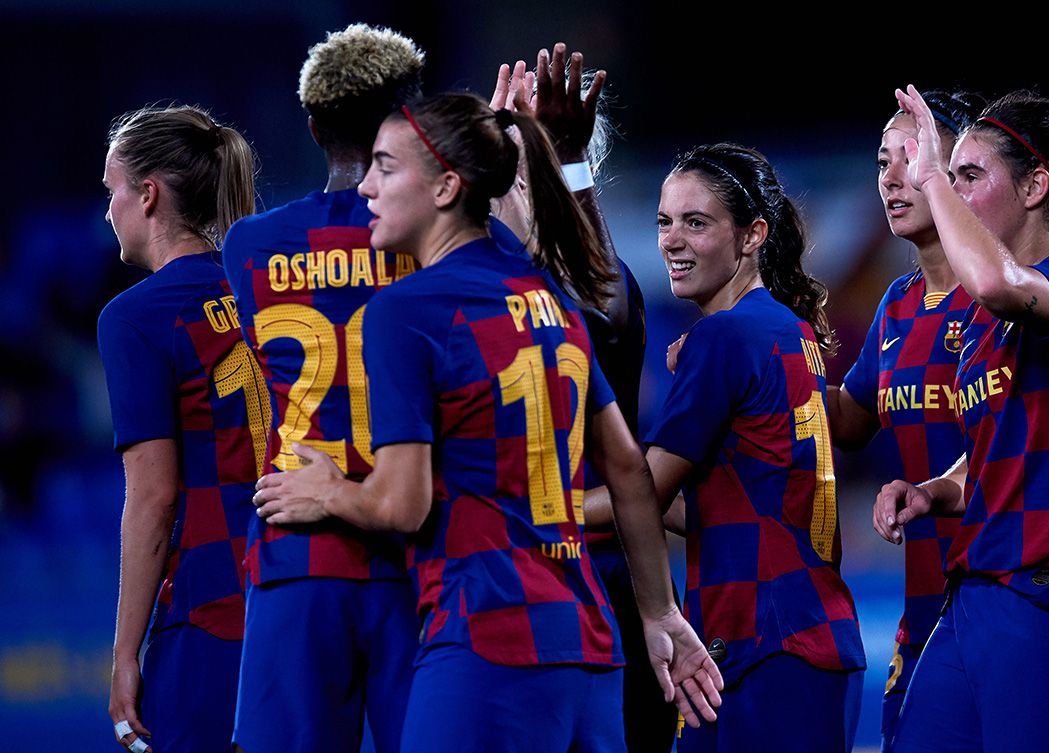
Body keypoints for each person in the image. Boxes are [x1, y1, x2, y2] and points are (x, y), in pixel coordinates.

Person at [252, 90, 722, 753]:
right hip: (589, 644)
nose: (367, 188)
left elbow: (403, 504)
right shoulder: (549, 298)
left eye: (385, 167)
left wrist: (327, 490)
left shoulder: (405, 308)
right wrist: (659, 611)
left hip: (486, 639)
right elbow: (626, 469)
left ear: (447, 188)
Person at [876, 86, 1049, 753]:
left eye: (970, 175)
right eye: (951, 177)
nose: (951, 191)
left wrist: (930, 177)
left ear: (1034, 186)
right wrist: (935, 490)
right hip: (975, 594)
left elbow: (1000, 283)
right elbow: (1004, 445)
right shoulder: (982, 324)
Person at [596, 143, 866, 752]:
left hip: (766, 646)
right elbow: (736, 508)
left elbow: (644, 492)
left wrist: (539, 507)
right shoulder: (788, 330)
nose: (671, 240)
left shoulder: (724, 337)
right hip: (788, 639)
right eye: (665, 221)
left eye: (696, 222)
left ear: (752, 236)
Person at [219, 24, 424, 753]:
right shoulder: (435, 243)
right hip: (421, 552)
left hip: (299, 551)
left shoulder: (250, 245)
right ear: (410, 121)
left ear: (313, 128)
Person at [491, 44, 675, 753]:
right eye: (503, 165)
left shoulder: (602, 285)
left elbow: (598, 297)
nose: (512, 184)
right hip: (497, 590)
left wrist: (565, 159)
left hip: (604, 583)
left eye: (526, 167)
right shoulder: (456, 291)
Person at [97, 105, 259, 753]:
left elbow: (154, 498)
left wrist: (123, 656)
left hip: (208, 612)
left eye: (111, 189)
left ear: (148, 194)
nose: (107, 210)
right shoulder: (263, 292)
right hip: (297, 603)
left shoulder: (136, 316)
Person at [826, 91, 983, 750]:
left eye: (910, 157)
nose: (891, 178)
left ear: (962, 172)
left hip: (1002, 597)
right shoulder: (898, 304)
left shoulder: (1009, 293)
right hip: (922, 605)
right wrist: (766, 361)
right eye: (881, 161)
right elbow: (850, 419)